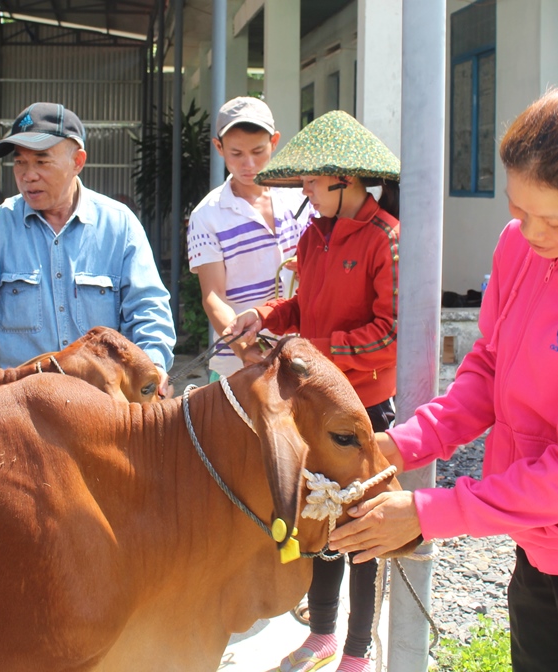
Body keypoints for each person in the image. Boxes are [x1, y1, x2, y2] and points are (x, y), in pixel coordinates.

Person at [329, 84, 558, 672]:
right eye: (518, 211)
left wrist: (428, 512)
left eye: (551, 220)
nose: (531, 234)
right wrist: (396, 444)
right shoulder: (523, 249)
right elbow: (489, 370)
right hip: (538, 540)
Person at [225, 110, 401, 672]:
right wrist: (262, 315)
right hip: (314, 402)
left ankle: (359, 647)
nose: (303, 193)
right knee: (318, 516)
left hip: (365, 405)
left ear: (342, 180)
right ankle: (322, 633)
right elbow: (300, 306)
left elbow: (389, 333)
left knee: (364, 524)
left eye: (308, 183)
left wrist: (313, 348)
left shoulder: (387, 240)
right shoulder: (312, 237)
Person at [0, 102, 175, 393]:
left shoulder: (119, 227)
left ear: (77, 161)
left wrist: (153, 366)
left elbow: (148, 308)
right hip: (27, 409)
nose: (27, 175)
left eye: (41, 161)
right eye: (20, 162)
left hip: (106, 402)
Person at [186, 96, 310, 380]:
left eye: (258, 151)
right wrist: (242, 345)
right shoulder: (208, 215)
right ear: (218, 147)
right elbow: (213, 295)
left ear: (275, 142)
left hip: (303, 353)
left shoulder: (302, 200)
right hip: (236, 364)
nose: (249, 164)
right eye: (236, 154)